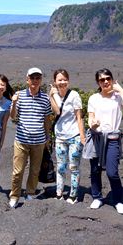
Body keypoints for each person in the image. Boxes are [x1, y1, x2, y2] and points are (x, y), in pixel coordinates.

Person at [84, 68, 123, 214]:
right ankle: (97, 197)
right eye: (102, 80)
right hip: (96, 137)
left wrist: (121, 90)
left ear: (112, 79)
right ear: (98, 82)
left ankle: (117, 200)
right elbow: (90, 117)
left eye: (108, 78)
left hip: (112, 138)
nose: (105, 82)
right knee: (95, 170)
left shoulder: (118, 97)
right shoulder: (94, 98)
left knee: (112, 172)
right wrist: (93, 124)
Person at [8, 68, 52, 208]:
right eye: (32, 78)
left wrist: (47, 138)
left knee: (34, 170)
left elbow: (46, 119)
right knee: (18, 170)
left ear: (41, 80)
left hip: (39, 141)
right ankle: (15, 195)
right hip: (21, 140)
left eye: (38, 78)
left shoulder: (45, 98)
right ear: (27, 79)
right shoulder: (19, 95)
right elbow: (13, 116)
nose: (35, 80)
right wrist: (14, 102)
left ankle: (30, 193)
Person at [48, 69, 86, 204]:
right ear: (55, 82)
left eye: (64, 79)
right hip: (60, 136)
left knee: (74, 167)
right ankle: (59, 194)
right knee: (60, 167)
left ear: (68, 81)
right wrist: (52, 96)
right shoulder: (53, 95)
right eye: (59, 80)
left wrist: (82, 136)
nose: (62, 82)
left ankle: (73, 195)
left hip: (74, 135)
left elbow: (79, 117)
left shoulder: (74, 95)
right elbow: (56, 111)